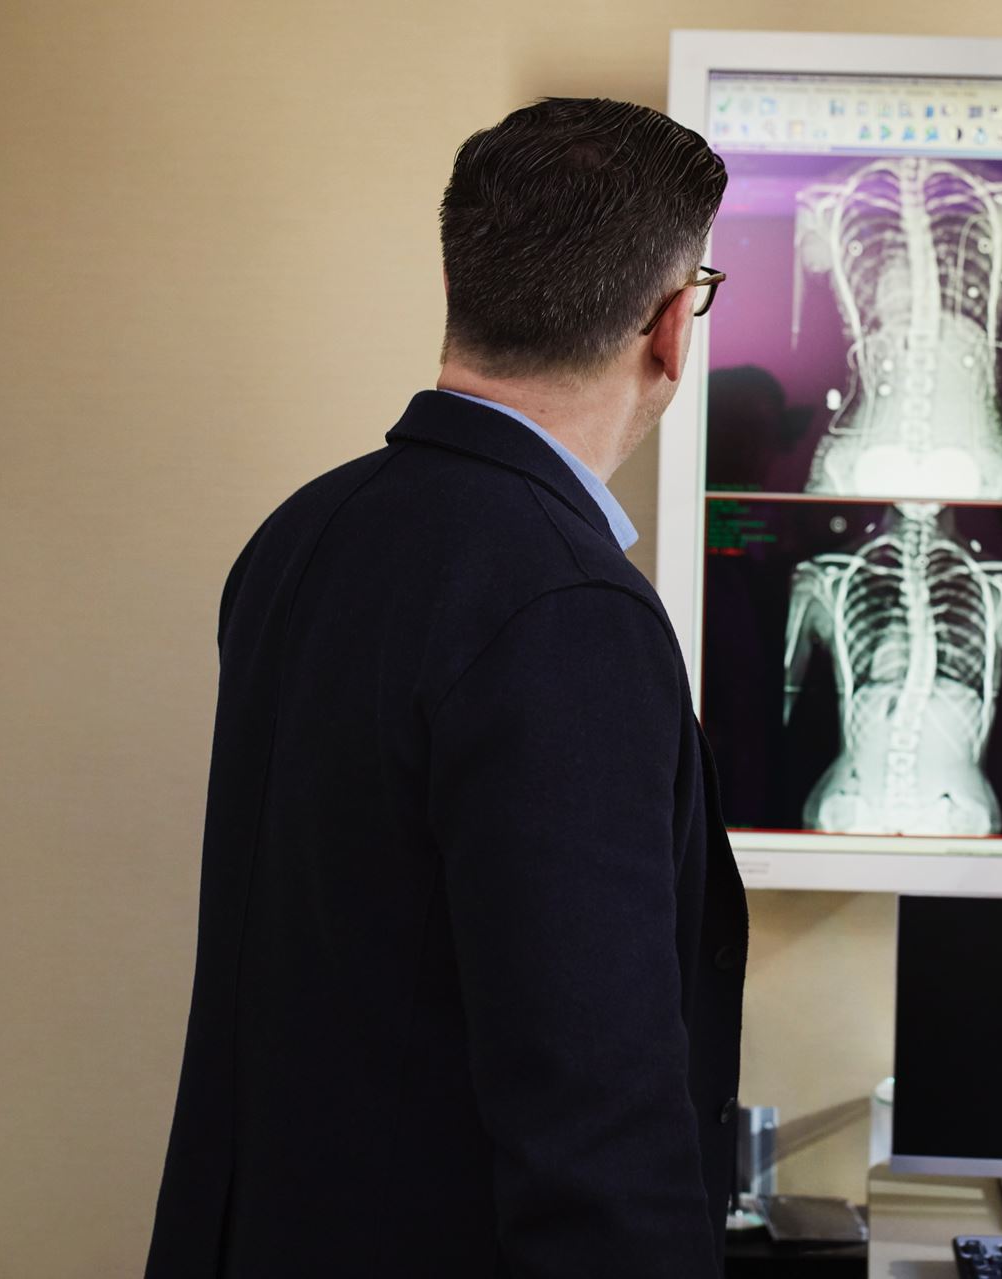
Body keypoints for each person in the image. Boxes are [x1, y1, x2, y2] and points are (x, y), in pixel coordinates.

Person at [145, 99, 746, 1278]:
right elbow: (597, 1121)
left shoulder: (302, 536)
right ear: (673, 327)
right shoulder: (566, 611)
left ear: (459, 279)